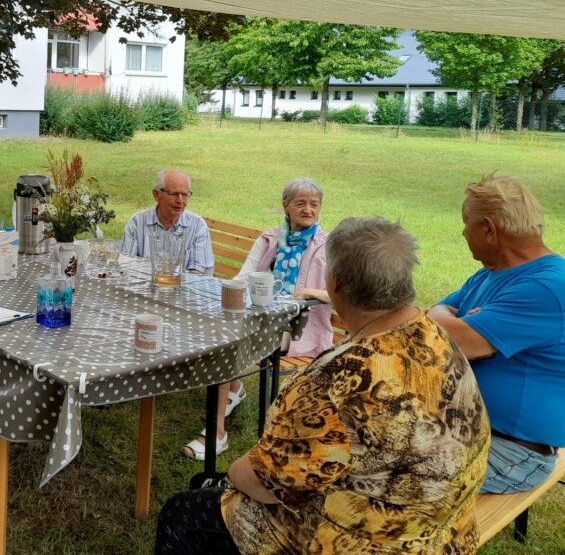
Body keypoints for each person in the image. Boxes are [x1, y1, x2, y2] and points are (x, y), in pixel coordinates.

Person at [155, 216, 490, 555]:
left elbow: (267, 484)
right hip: (445, 530)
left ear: (335, 283)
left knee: (184, 512)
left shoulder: (336, 382)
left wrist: (232, 475)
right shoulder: (437, 336)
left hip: (369, 543)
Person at [428, 173, 565, 494]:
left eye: (466, 223)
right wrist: (446, 319)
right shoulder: (490, 274)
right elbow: (432, 322)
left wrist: (451, 322)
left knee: (382, 476)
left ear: (489, 229)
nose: (463, 232)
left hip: (512, 452)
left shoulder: (549, 286)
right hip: (466, 430)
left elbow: (457, 341)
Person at [183, 178, 332, 460]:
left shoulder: (328, 246)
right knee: (224, 338)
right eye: (300, 203)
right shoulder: (270, 239)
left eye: (314, 204)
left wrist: (310, 293)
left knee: (228, 345)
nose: (308, 210)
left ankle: (217, 432)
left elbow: (345, 294)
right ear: (286, 206)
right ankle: (230, 396)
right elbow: (243, 276)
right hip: (260, 320)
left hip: (298, 331)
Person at [121, 169, 213, 275]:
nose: (180, 201)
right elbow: (125, 267)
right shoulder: (137, 223)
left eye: (185, 195)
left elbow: (198, 275)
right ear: (156, 195)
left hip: (184, 286)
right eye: (174, 194)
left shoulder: (197, 226)